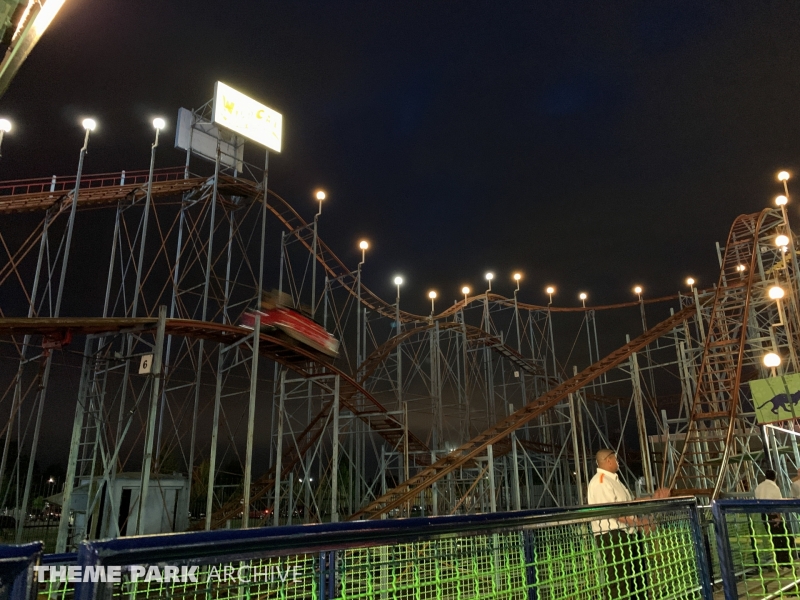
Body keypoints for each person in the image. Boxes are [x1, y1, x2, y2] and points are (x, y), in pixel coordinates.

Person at [587, 448, 669, 600]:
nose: (618, 462)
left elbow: (629, 504)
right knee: (620, 579)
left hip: (627, 533)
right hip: (612, 536)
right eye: (615, 459)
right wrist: (639, 523)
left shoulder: (613, 480)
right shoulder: (600, 481)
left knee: (637, 576)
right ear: (608, 460)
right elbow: (613, 511)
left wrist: (653, 498)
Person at [754, 469, 793, 568]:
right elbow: (778, 502)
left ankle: (780, 563)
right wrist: (778, 517)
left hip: (764, 514)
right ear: (775, 477)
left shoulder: (759, 487)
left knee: (775, 539)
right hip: (774, 514)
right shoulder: (774, 487)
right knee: (787, 538)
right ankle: (786, 561)